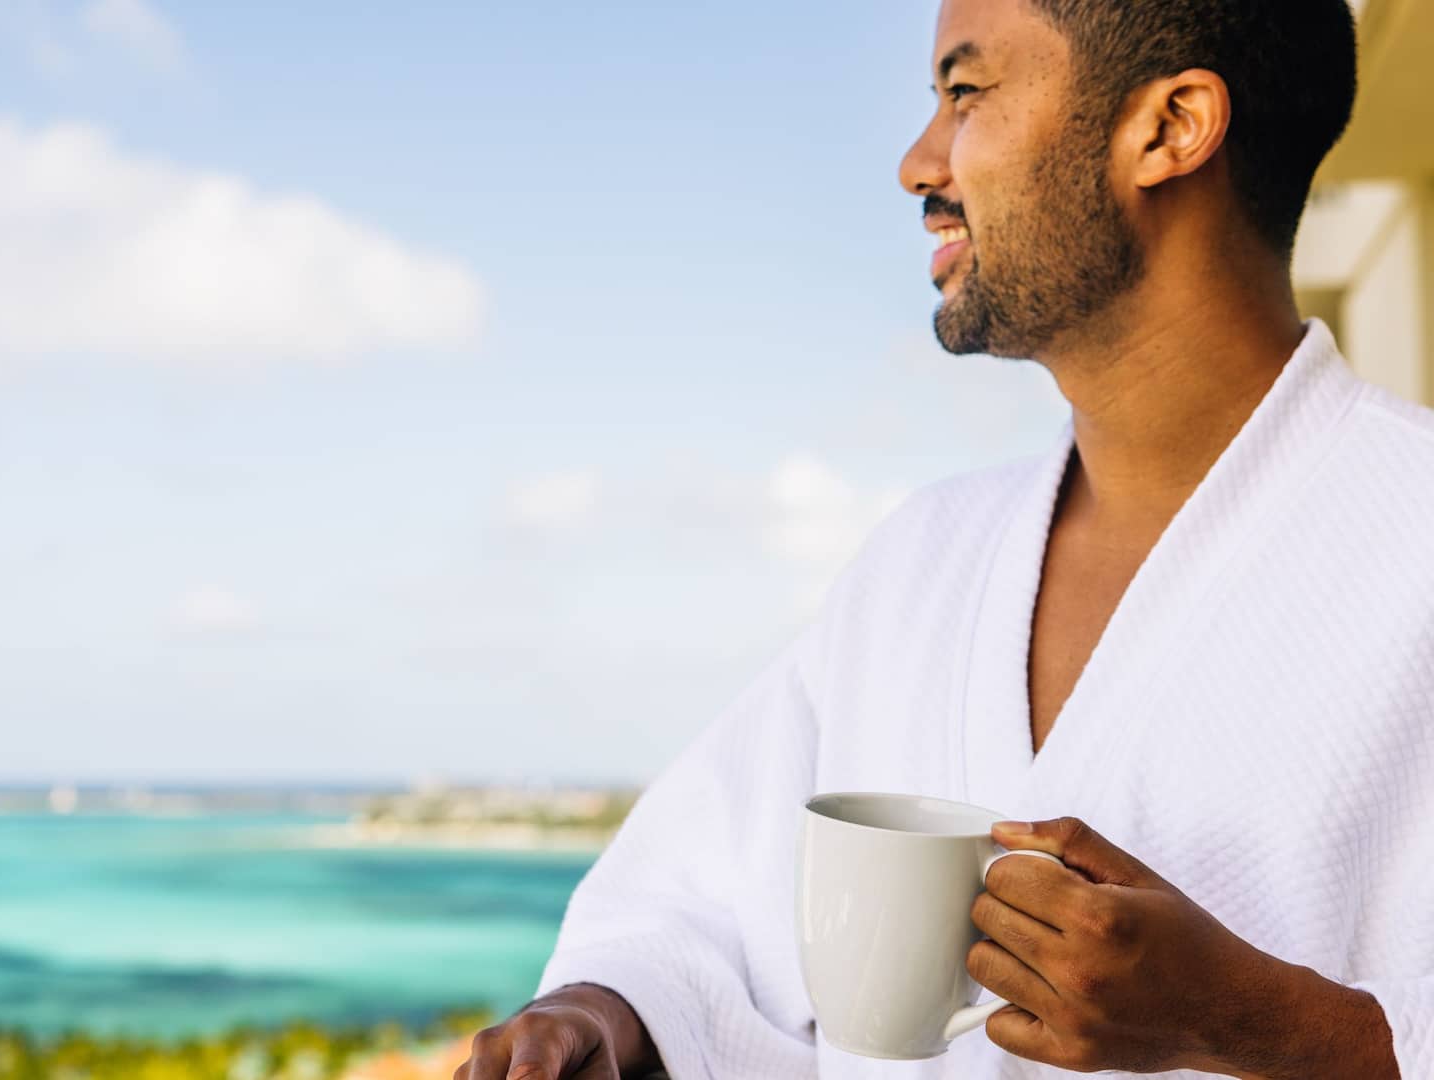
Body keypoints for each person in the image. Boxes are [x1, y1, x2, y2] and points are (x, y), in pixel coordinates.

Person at [453, 0, 1434, 1077]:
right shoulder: (923, 561)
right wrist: (608, 1013)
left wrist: (1255, 1021)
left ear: (1169, 128)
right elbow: (700, 907)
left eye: (965, 95)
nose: (921, 164)